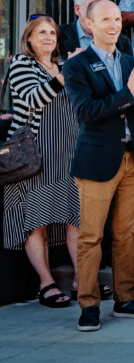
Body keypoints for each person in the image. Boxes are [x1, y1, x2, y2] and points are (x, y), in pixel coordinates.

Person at [63, 0, 134, 332]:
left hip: (133, 159)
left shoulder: (129, 61)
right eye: (105, 19)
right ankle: (89, 304)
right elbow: (86, 112)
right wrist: (129, 91)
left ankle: (126, 299)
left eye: (117, 19)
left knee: (125, 235)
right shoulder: (76, 65)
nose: (113, 25)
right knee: (91, 237)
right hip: (97, 160)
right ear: (89, 24)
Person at [3, 16, 81, 308]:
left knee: (76, 218)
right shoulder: (22, 64)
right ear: (29, 38)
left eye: (52, 33)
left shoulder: (62, 66)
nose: (49, 37)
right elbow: (34, 99)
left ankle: (82, 280)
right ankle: (46, 284)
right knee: (37, 222)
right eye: (41, 33)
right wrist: (62, 77)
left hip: (68, 155)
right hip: (35, 157)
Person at [58, 0, 133, 59]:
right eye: (92, 7)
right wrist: (69, 65)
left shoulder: (122, 42)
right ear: (77, 9)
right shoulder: (57, 35)